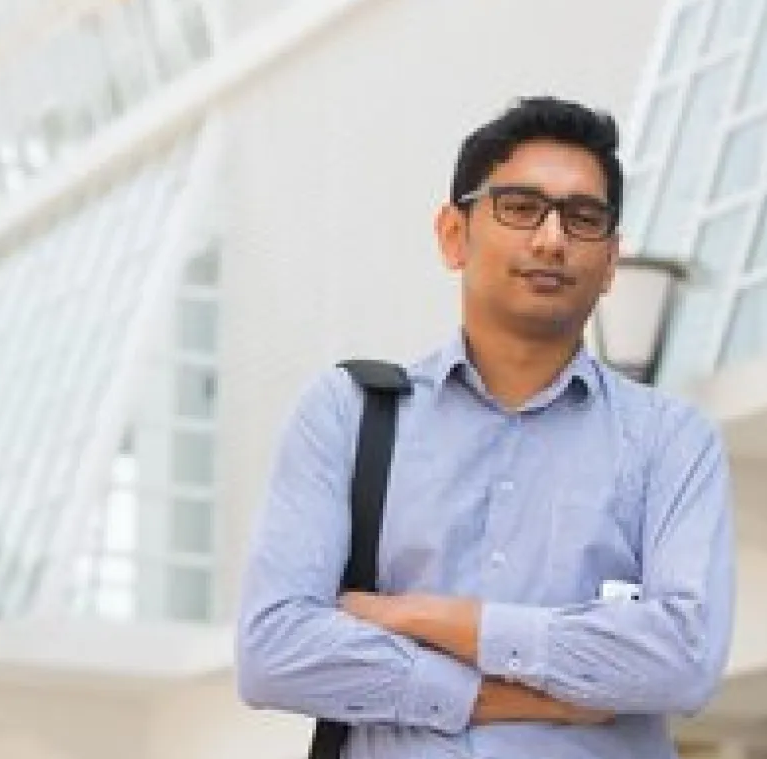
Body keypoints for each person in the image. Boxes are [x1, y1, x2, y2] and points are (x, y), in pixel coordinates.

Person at [236, 95, 734, 759]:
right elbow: (273, 649)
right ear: (453, 234)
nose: (551, 238)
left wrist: (422, 616)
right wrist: (495, 693)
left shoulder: (672, 440)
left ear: (611, 260)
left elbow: (683, 656)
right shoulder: (348, 412)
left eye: (582, 218)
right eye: (521, 208)